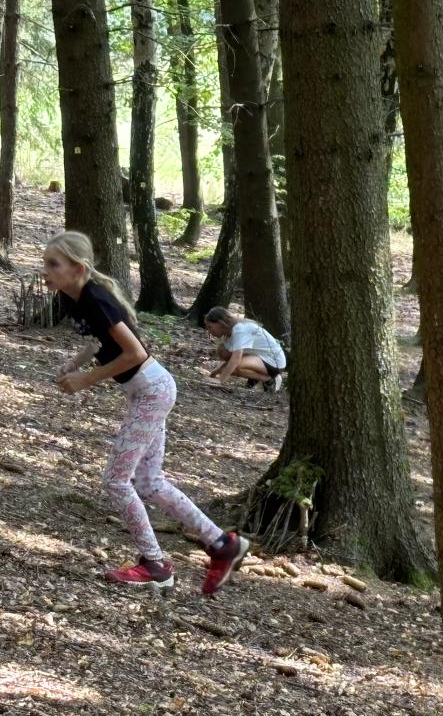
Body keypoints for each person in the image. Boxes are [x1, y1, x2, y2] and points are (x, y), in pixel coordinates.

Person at [41, 231, 248, 593]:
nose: (45, 270)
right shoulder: (73, 297)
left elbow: (135, 353)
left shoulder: (96, 297)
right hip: (146, 391)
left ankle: (155, 564)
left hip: (153, 390)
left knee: (117, 480)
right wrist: (75, 362)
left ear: (78, 268)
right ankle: (221, 544)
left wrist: (86, 379)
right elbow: (99, 340)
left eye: (53, 264)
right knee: (149, 482)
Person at [204, 306, 287, 392]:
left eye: (210, 327)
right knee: (222, 351)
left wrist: (220, 380)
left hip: (275, 362)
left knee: (233, 367)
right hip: (260, 358)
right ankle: (257, 380)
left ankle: (269, 380)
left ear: (221, 323)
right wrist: (214, 373)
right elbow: (229, 359)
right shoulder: (228, 333)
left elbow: (236, 358)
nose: (209, 331)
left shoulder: (239, 329)